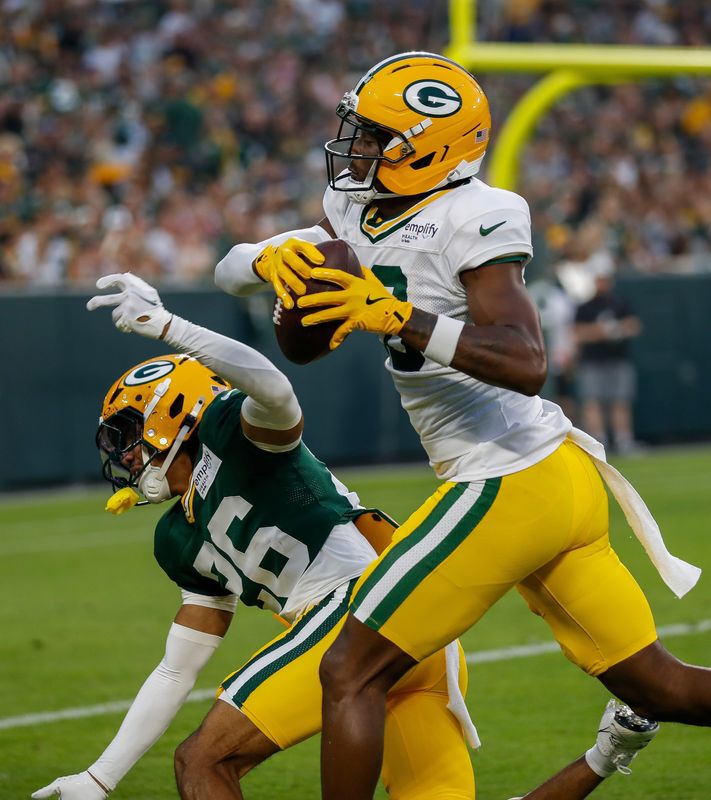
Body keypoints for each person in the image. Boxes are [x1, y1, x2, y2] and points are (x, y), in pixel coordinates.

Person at [212, 51, 709, 800]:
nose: (361, 149)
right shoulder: (353, 205)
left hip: (505, 478)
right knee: (661, 689)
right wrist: (270, 258)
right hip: (549, 482)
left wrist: (400, 318)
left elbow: (526, 357)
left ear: (432, 149)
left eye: (382, 137)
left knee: (348, 670)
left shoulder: (478, 213)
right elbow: (247, 286)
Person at [30, 273, 659, 800]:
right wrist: (100, 777)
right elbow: (175, 670)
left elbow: (274, 388)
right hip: (411, 642)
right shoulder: (178, 536)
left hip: (355, 616)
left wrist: (172, 327)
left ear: (173, 415)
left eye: (130, 435)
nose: (127, 456)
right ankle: (607, 752)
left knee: (204, 761)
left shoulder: (234, 434)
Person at [573, 259, 642, 454]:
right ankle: (598, 442)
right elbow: (578, 333)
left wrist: (617, 329)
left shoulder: (620, 302)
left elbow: (634, 326)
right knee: (592, 402)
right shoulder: (585, 307)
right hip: (592, 361)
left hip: (618, 359)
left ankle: (624, 440)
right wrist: (602, 332)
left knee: (621, 401)